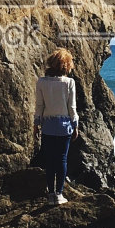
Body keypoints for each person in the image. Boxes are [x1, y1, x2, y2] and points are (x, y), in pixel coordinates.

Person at [35, 48, 80, 204]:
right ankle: (59, 194)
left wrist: (36, 124)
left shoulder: (41, 82)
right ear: (66, 65)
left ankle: (51, 195)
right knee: (61, 160)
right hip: (64, 127)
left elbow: (39, 106)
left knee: (49, 161)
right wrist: (75, 126)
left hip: (47, 126)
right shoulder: (69, 83)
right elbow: (72, 108)